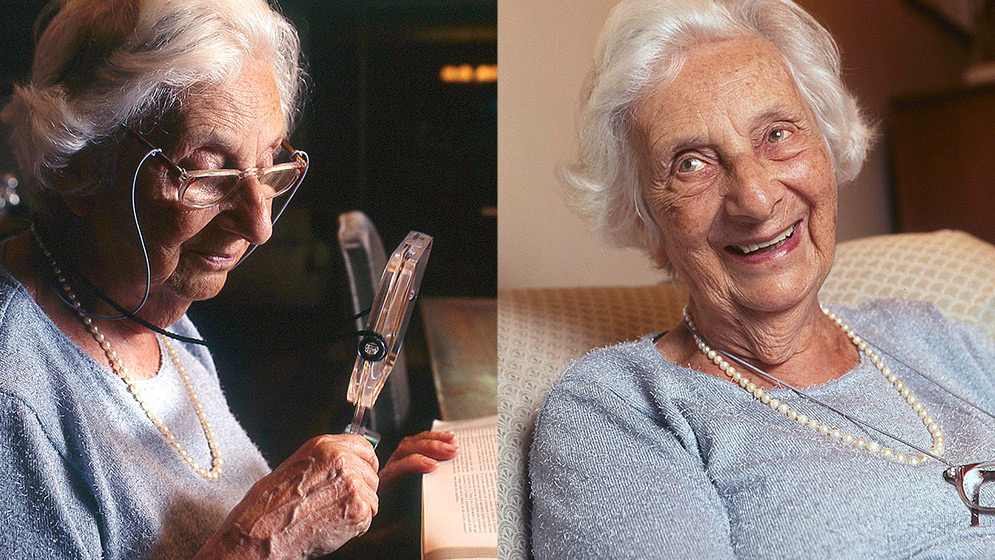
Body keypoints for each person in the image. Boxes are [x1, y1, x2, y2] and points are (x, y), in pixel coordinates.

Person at [529, 0, 995, 558]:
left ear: (828, 146)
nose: (754, 197)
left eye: (776, 134)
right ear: (645, 221)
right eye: (691, 164)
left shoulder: (932, 335)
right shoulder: (619, 412)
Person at [0, 0, 457, 558]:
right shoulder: (15, 399)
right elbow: (246, 541)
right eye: (210, 170)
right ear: (76, 166)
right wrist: (260, 544)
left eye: (269, 167)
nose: (260, 225)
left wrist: (357, 517)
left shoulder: (152, 305)